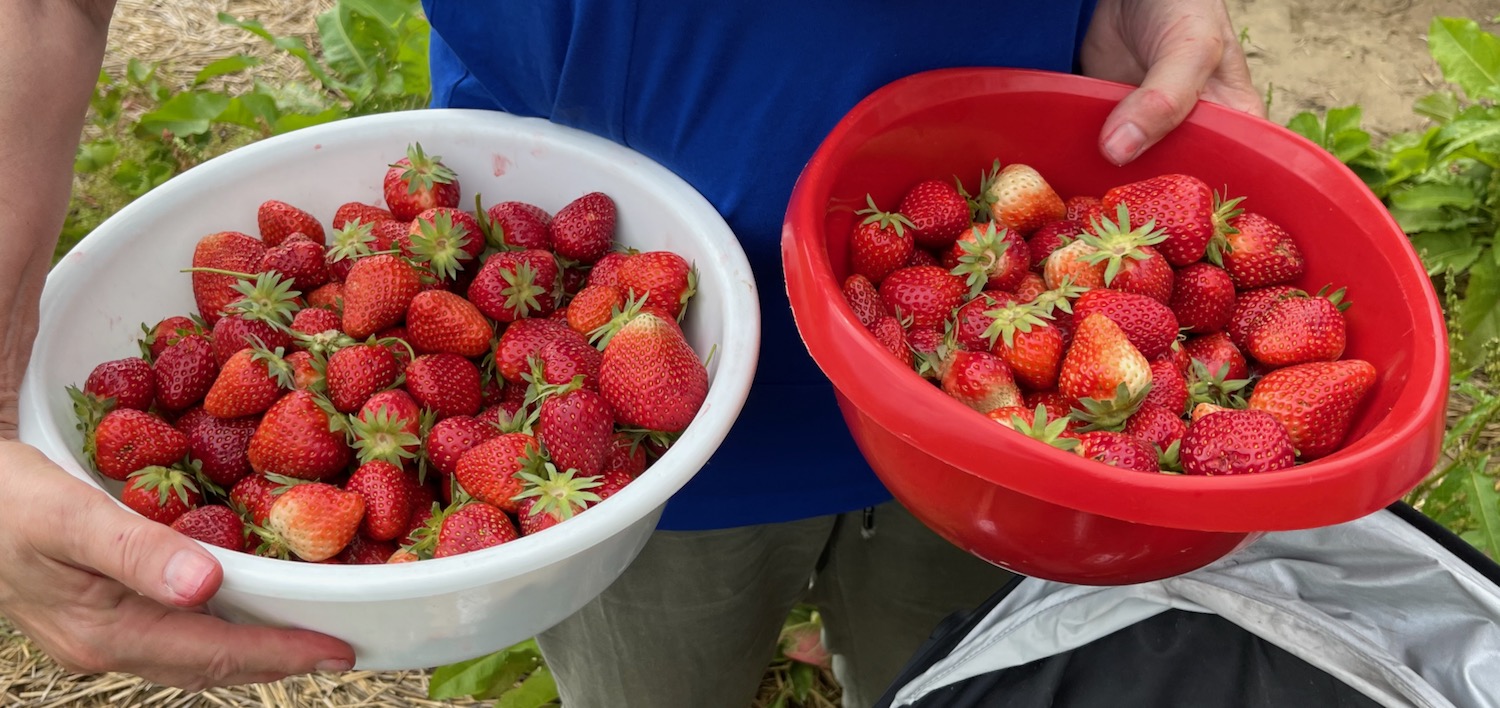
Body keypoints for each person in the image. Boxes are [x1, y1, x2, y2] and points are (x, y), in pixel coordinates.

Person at [0, 0, 1263, 702]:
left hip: (994, 303)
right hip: (623, 430)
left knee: (949, 656)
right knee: (661, 679)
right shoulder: (556, 390)